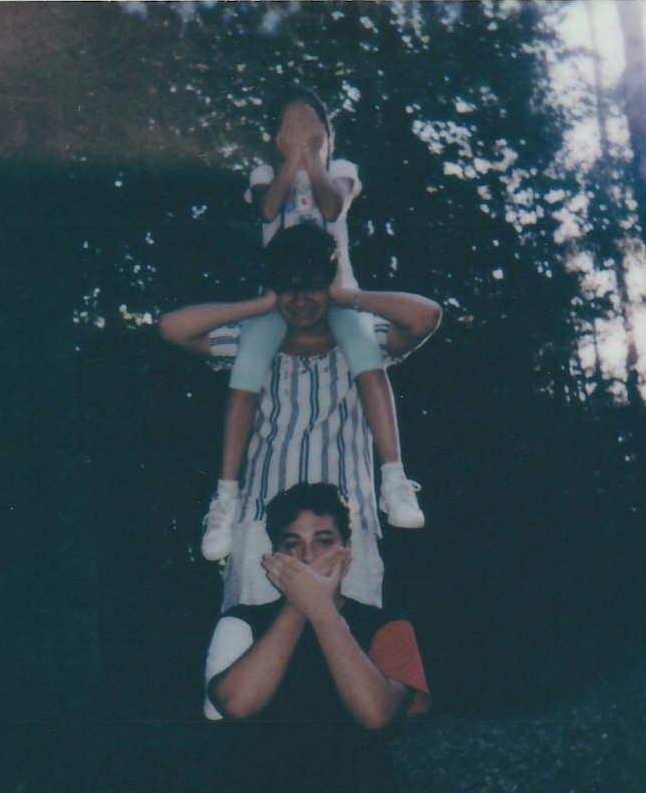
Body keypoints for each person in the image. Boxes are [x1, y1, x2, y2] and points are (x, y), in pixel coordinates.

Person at [177, 481, 434, 793]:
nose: (308, 557)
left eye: (324, 541)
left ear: (348, 551)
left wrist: (319, 608)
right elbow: (238, 703)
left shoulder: (389, 627)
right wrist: (303, 604)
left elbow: (375, 713)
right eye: (292, 544)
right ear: (275, 555)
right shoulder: (239, 623)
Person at [158, 222, 441, 611]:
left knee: (348, 646)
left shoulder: (364, 341)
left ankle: (397, 484)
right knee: (255, 644)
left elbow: (425, 316)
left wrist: (348, 295)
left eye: (312, 286)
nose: (302, 299)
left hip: (346, 527)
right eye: (289, 287)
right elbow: (172, 328)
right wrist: (259, 306)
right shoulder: (250, 342)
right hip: (260, 522)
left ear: (328, 284)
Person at [201, 83, 425, 563]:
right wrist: (290, 160)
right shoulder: (266, 172)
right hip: (277, 298)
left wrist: (314, 159)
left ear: (328, 133)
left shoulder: (341, 171)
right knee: (245, 374)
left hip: (337, 295)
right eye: (291, 126)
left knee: (368, 361)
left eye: (312, 126)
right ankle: (224, 499)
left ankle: (394, 480)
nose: (302, 135)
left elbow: (330, 206)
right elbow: (266, 208)